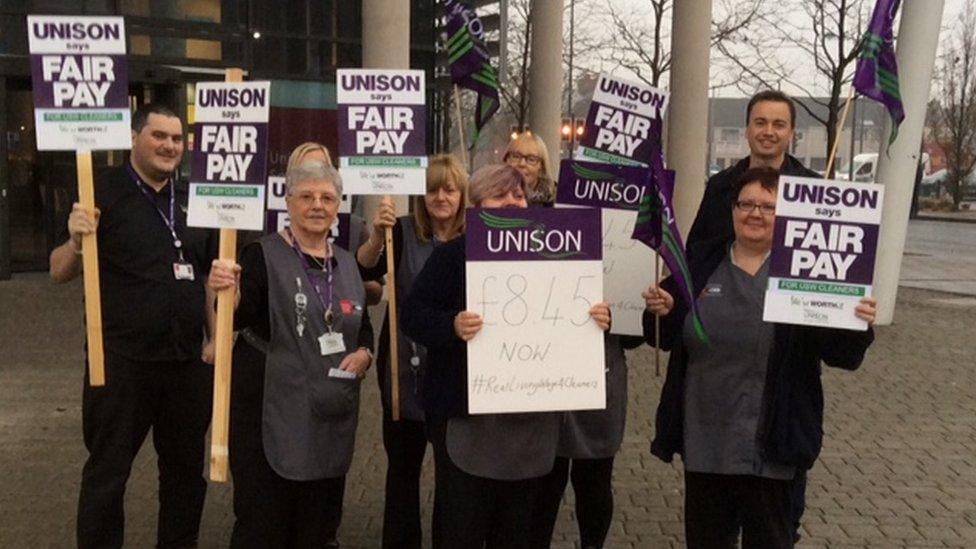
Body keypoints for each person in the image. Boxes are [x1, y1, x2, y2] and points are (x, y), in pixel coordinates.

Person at [642, 167, 877, 548]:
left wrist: (856, 322)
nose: (756, 213)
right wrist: (662, 310)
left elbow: (844, 356)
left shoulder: (808, 272)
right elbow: (662, 337)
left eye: (769, 206)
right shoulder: (700, 262)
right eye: (746, 203)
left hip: (773, 446)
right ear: (732, 209)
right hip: (706, 444)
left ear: (786, 217)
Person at [401, 163, 612, 548]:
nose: (513, 202)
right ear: (478, 207)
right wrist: (451, 326)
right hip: (468, 424)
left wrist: (599, 317)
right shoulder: (453, 256)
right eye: (501, 195)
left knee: (518, 531)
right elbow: (413, 316)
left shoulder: (558, 253)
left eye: (518, 194)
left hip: (530, 426)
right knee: (461, 529)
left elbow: (575, 314)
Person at [50, 103, 216, 548]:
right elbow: (58, 271)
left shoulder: (196, 197)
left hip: (186, 362)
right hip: (121, 364)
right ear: (134, 138)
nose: (169, 146)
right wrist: (76, 240)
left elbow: (204, 277)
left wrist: (217, 337)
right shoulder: (98, 190)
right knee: (108, 473)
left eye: (177, 139)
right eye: (159, 136)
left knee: (185, 475)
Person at [208, 160, 374, 547]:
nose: (318, 205)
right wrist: (225, 294)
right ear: (289, 202)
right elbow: (236, 318)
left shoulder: (347, 263)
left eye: (327, 198)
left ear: (338, 205)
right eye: (307, 196)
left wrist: (365, 352)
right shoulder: (259, 256)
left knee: (318, 525)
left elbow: (362, 325)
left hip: (329, 417)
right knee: (264, 523)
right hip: (269, 410)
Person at [685, 90, 820, 538]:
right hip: (718, 391)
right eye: (760, 122)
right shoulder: (720, 187)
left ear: (791, 132)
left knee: (779, 525)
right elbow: (696, 258)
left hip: (784, 384)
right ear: (747, 130)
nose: (768, 131)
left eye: (778, 124)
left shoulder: (815, 189)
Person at [357, 154, 468, 548]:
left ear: (461, 194)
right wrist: (374, 237)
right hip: (401, 369)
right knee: (402, 471)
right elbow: (366, 271)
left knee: (451, 478)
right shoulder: (400, 232)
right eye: (433, 189)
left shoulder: (475, 238)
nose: (441, 197)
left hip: (453, 375)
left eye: (449, 189)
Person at [286, 142, 382, 306]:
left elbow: (376, 293)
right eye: (306, 170)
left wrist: (345, 282)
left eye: (323, 168)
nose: (315, 175)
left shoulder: (354, 227)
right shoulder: (266, 229)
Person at [504, 131, 557, 206]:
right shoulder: (490, 195)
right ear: (506, 160)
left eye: (531, 159)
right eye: (516, 156)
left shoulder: (557, 199)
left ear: (541, 166)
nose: (522, 164)